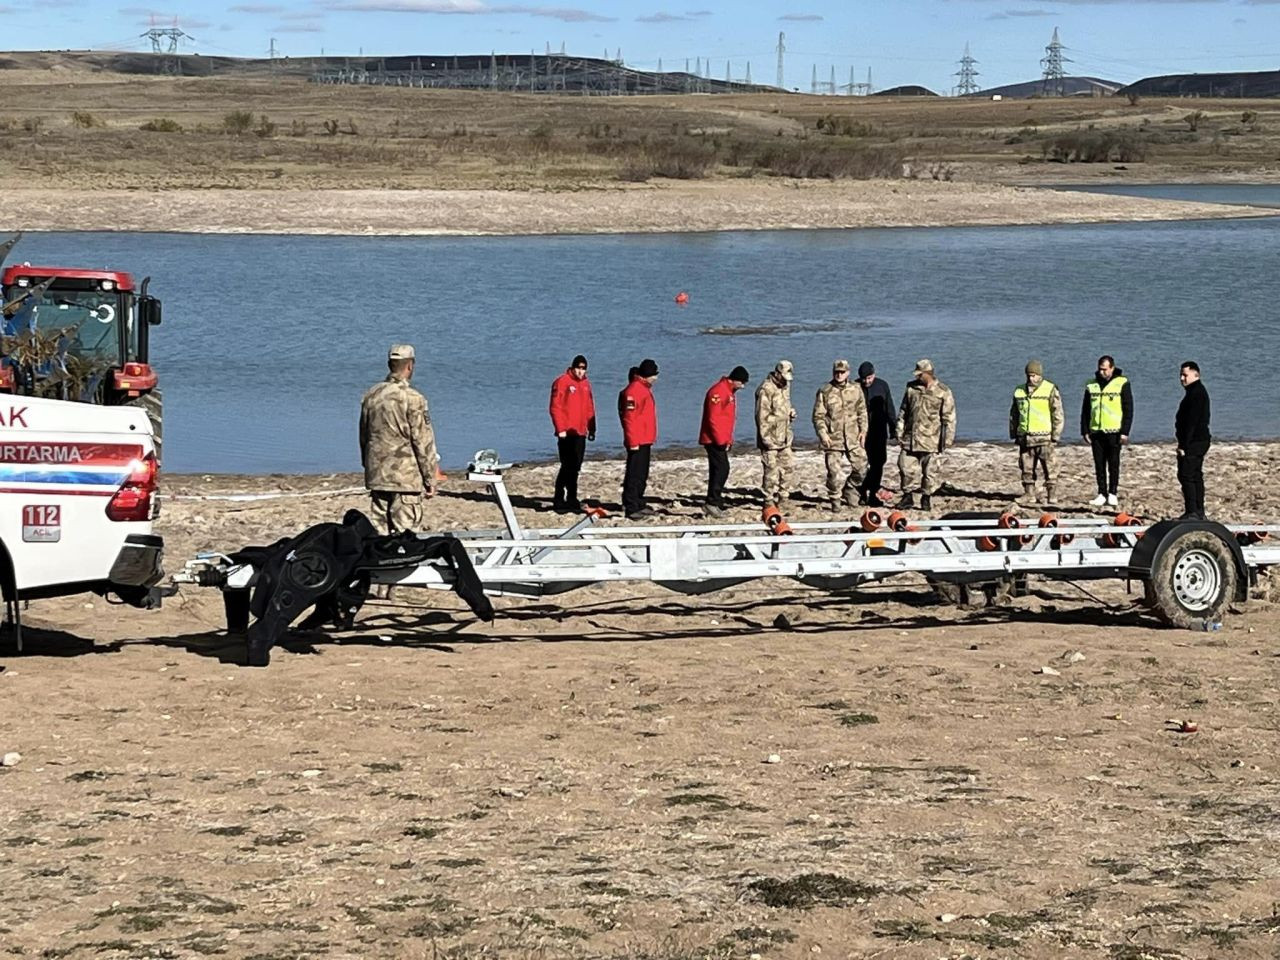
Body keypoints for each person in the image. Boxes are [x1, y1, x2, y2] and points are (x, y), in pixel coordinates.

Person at [359, 343, 439, 534]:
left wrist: (368, 466)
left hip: (378, 475)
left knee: (380, 537)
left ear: (389, 364)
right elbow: (423, 441)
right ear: (410, 366)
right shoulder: (413, 398)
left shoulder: (372, 395)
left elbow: (364, 436)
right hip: (405, 479)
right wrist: (430, 478)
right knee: (406, 537)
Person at [896, 359, 956, 510]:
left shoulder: (943, 391)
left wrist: (947, 440)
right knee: (904, 467)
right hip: (911, 438)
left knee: (930, 473)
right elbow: (904, 411)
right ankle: (907, 496)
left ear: (927, 374)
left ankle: (926, 497)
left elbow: (949, 418)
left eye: (920, 374)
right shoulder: (911, 389)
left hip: (931, 440)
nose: (917, 377)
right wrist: (899, 431)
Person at [812, 359, 868, 511]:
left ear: (848, 373)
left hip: (853, 437)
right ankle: (835, 499)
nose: (839, 375)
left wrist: (863, 431)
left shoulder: (856, 389)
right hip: (833, 438)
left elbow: (862, 411)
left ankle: (850, 489)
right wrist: (823, 434)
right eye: (836, 372)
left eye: (842, 372)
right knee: (834, 473)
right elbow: (818, 416)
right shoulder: (825, 391)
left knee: (862, 468)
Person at [1081, 355, 1134, 508]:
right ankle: (1101, 492)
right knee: (1099, 464)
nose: (1102, 372)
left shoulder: (1122, 383)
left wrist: (1125, 431)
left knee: (1113, 463)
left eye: (1105, 369)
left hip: (1114, 430)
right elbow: (1085, 410)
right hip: (1096, 430)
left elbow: (1128, 409)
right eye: (1100, 369)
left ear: (1112, 368)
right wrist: (1085, 430)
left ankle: (1112, 493)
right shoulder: (1091, 385)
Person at [1009, 359, 1065, 505]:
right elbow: (1014, 414)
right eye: (1029, 375)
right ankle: (1029, 494)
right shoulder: (1019, 391)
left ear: (1040, 375)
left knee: (1050, 469)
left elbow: (1057, 414)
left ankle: (1051, 495)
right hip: (1026, 437)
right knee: (1026, 468)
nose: (1031, 378)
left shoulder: (1050, 389)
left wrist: (1056, 436)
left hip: (1045, 437)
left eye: (1034, 375)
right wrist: (1014, 433)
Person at [699, 365, 749, 516]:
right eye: (742, 383)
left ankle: (715, 500)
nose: (743, 386)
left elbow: (727, 419)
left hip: (721, 438)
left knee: (719, 469)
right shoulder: (718, 392)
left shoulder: (729, 391)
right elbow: (713, 419)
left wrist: (728, 439)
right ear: (735, 380)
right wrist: (721, 440)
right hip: (713, 439)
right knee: (722, 469)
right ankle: (712, 502)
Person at [549, 354, 596, 513]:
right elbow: (555, 407)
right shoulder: (562, 382)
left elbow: (590, 407)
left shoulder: (585, 384)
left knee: (576, 465)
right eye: (578, 368)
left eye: (583, 369)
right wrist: (560, 428)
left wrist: (592, 427)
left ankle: (572, 497)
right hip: (566, 432)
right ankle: (558, 497)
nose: (581, 372)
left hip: (580, 431)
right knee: (567, 465)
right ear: (573, 367)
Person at [619, 358, 659, 520]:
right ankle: (631, 505)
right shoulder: (634, 391)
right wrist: (633, 441)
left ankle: (639, 501)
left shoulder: (643, 389)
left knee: (642, 473)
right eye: (654, 375)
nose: (656, 378)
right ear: (647, 375)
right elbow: (630, 419)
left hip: (645, 438)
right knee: (634, 473)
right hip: (637, 440)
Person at [755, 360, 796, 507]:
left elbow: (786, 404)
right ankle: (768, 500)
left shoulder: (785, 386)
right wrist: (766, 441)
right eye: (784, 377)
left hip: (785, 436)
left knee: (788, 467)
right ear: (777, 373)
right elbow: (762, 417)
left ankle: (784, 497)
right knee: (771, 471)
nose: (786, 381)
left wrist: (790, 412)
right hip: (770, 439)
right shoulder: (766, 389)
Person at [1175, 360, 1211, 520]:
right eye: (1181, 375)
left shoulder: (1197, 393)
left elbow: (1192, 422)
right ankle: (1197, 510)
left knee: (1187, 475)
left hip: (1195, 442)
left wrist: (1184, 445)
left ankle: (1193, 511)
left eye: (1185, 375)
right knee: (1194, 475)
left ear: (1196, 375)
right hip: (1198, 440)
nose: (1182, 378)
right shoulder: (1194, 392)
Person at [857, 361, 896, 505]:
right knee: (862, 464)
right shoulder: (855, 387)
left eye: (868, 378)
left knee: (878, 463)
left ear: (874, 375)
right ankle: (861, 492)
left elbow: (889, 408)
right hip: (861, 433)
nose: (866, 382)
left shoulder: (882, 385)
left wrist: (893, 428)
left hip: (879, 430)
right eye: (863, 379)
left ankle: (872, 493)